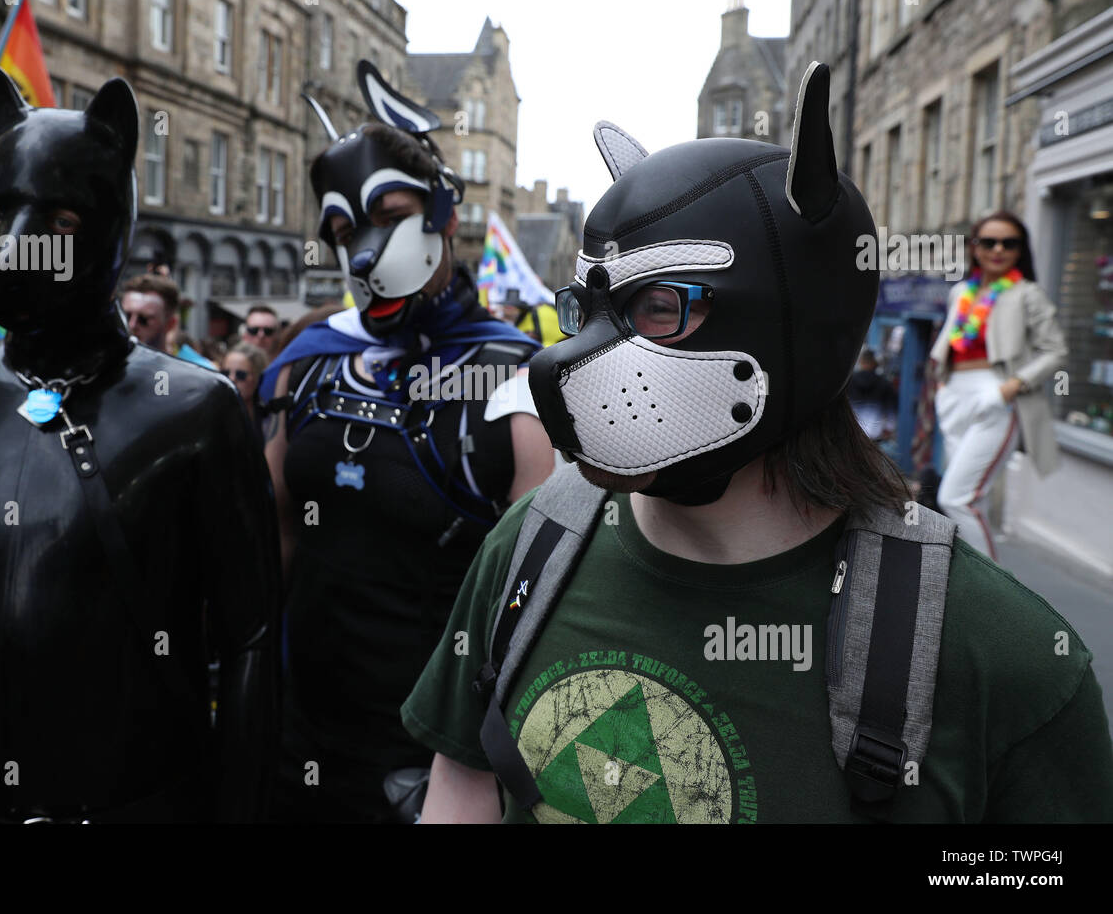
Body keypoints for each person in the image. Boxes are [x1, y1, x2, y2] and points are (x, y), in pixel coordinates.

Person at [402, 63, 1113, 823]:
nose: (574, 361)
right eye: (591, 309)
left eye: (660, 304)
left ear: (793, 317)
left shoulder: (1002, 655)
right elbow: (464, 776)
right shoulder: (531, 545)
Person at [0, 66, 279, 823]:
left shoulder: (196, 409)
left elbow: (250, 638)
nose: (18, 246)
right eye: (0, 213)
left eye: (60, 220)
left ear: (111, 225)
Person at [259, 61, 555, 822]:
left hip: (444, 754)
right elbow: (273, 543)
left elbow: (543, 596)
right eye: (343, 230)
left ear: (444, 214)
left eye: (389, 215)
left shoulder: (515, 381)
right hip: (304, 739)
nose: (364, 250)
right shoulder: (308, 365)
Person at [928, 211, 1066, 561]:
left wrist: (1012, 386)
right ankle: (970, 581)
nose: (998, 249)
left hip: (996, 396)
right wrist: (941, 384)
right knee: (976, 497)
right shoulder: (962, 291)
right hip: (954, 396)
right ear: (975, 247)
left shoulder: (1027, 294)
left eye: (1009, 242)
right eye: (989, 241)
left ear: (1021, 250)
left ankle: (995, 587)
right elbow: (952, 340)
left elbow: (1056, 351)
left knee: (957, 498)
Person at [846, 347, 898, 443]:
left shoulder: (849, 383)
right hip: (875, 436)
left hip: (852, 433)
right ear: (875, 364)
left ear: (861, 362)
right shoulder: (885, 384)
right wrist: (888, 429)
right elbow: (891, 413)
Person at [221, 343, 268, 427]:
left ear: (257, 377)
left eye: (240, 374)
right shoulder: (213, 412)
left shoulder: (270, 413)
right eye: (226, 373)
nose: (232, 379)